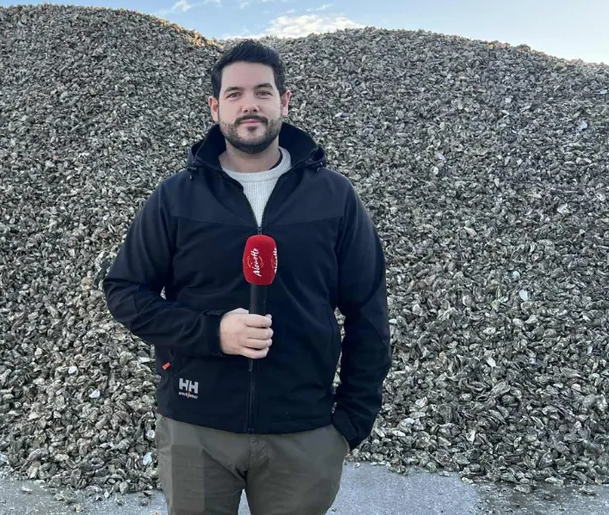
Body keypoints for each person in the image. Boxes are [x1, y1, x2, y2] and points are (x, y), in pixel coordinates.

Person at [102, 39, 392, 515]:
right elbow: (124, 291)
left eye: (263, 91)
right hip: (197, 429)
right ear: (215, 107)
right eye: (235, 94)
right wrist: (213, 332)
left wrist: (350, 422)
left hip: (303, 432)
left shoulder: (334, 197)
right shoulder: (177, 196)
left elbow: (368, 311)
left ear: (285, 100)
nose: (249, 104)